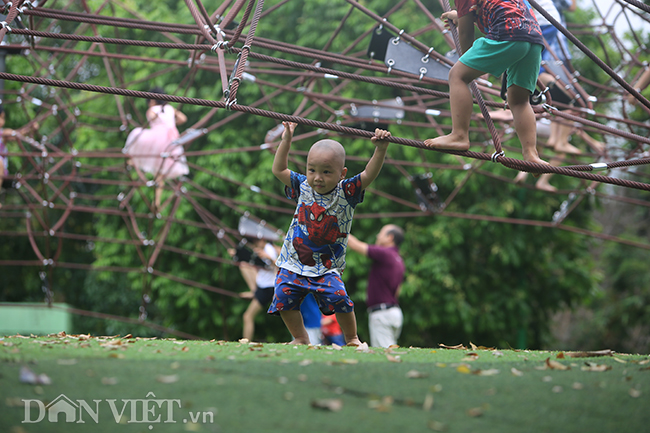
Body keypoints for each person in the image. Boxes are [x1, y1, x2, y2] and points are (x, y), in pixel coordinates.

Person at [267, 121, 391, 346]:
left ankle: (352, 338)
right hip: (293, 261)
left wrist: (380, 149)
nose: (317, 178)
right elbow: (279, 169)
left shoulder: (347, 192)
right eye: (312, 170)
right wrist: (286, 139)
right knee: (283, 297)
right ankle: (300, 338)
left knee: (339, 298)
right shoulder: (302, 185)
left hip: (327, 266)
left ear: (342, 173)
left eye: (326, 172)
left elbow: (368, 174)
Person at [423, 0, 549, 171]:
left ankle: (459, 135)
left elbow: (466, 35)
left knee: (457, 76)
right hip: (533, 38)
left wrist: (470, 65)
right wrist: (460, 16)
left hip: (508, 33)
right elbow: (497, 8)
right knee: (519, 101)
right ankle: (531, 155)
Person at [123, 87, 189, 209]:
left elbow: (153, 118)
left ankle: (133, 160)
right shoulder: (170, 109)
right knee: (160, 173)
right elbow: (183, 118)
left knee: (137, 135)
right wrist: (172, 124)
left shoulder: (152, 110)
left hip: (157, 139)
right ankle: (157, 201)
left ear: (152, 101)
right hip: (171, 141)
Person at [347, 224, 405, 348]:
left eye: (381, 233)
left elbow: (354, 244)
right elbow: (397, 291)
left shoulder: (385, 253)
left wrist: (335, 226)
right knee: (391, 349)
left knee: (386, 354)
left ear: (390, 237)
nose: (377, 236)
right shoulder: (398, 259)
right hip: (394, 312)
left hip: (381, 314)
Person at [0, 106, 38, 208]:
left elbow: (18, 134)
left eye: (3, 118)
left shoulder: (3, 133)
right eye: (1, 117)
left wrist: (30, 129)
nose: (2, 121)